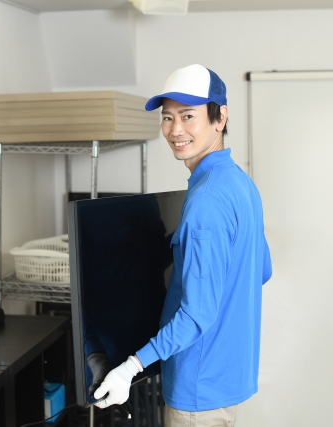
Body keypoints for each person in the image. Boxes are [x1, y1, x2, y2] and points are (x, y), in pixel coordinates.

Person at [93, 64, 272, 426]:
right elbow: (261, 269)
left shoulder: (206, 201)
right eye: (168, 117)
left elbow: (196, 315)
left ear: (220, 118)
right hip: (225, 378)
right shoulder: (240, 183)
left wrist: (131, 367)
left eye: (188, 116)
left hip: (197, 387)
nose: (175, 130)